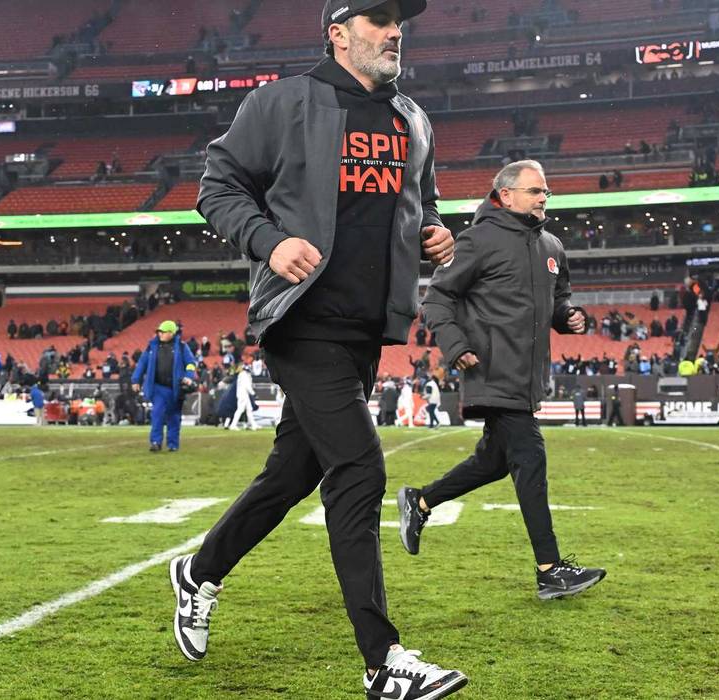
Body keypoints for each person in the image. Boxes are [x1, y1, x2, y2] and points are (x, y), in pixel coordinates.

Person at [177, 2, 466, 694]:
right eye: (378, 19)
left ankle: (198, 571)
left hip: (366, 328)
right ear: (338, 34)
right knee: (360, 471)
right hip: (300, 320)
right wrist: (270, 242)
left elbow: (420, 205)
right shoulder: (280, 103)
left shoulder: (414, 119)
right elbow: (215, 189)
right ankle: (382, 662)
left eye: (400, 21)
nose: (394, 31)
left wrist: (436, 232)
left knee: (291, 473)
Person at [397, 159, 605, 604]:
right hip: (490, 368)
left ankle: (421, 502)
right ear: (505, 196)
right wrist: (456, 346)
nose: (543, 197)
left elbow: (558, 298)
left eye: (546, 191)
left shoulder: (552, 245)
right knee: (529, 457)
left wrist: (567, 318)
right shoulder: (479, 240)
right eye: (534, 191)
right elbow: (437, 298)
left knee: (493, 462)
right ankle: (550, 569)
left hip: (527, 375)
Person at [132, 320, 197, 452]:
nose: (159, 334)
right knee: (157, 413)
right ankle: (156, 442)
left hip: (175, 388)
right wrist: (135, 380)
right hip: (158, 387)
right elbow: (142, 363)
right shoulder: (152, 347)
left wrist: (189, 377)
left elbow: (190, 363)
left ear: (171, 333)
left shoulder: (182, 347)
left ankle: (173, 444)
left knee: (174, 416)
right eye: (159, 332)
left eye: (162, 332)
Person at [229, 363, 258, 430]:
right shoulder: (244, 375)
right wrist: (253, 393)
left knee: (249, 409)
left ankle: (254, 425)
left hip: (243, 394)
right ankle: (233, 425)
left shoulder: (241, 375)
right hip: (243, 395)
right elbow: (247, 386)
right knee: (240, 410)